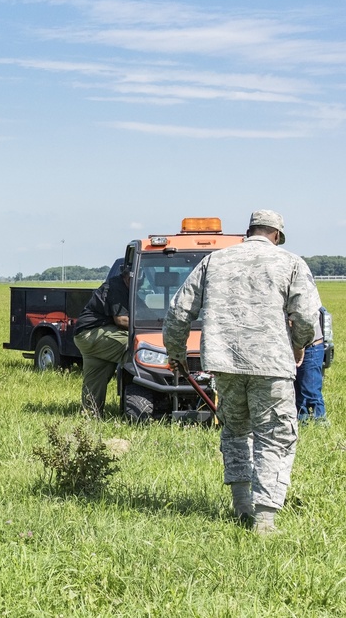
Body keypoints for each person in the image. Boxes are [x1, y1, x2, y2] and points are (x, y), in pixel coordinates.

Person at [164, 210, 320, 535]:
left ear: (247, 231)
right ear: (276, 235)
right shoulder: (290, 263)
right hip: (271, 365)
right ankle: (264, 518)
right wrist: (299, 346)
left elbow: (179, 312)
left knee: (235, 432)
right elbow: (306, 317)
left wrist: (177, 354)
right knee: (274, 435)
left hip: (225, 364)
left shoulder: (214, 261)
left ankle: (241, 506)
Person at [72, 260, 131, 419]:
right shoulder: (117, 287)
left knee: (96, 376)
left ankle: (90, 417)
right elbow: (121, 320)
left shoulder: (121, 285)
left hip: (85, 334)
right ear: (129, 277)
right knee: (135, 349)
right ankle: (137, 404)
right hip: (93, 332)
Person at [295, 305, 329, 426]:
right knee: (296, 390)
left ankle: (320, 423)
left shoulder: (302, 294)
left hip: (310, 345)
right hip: (293, 345)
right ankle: (302, 422)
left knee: (311, 391)